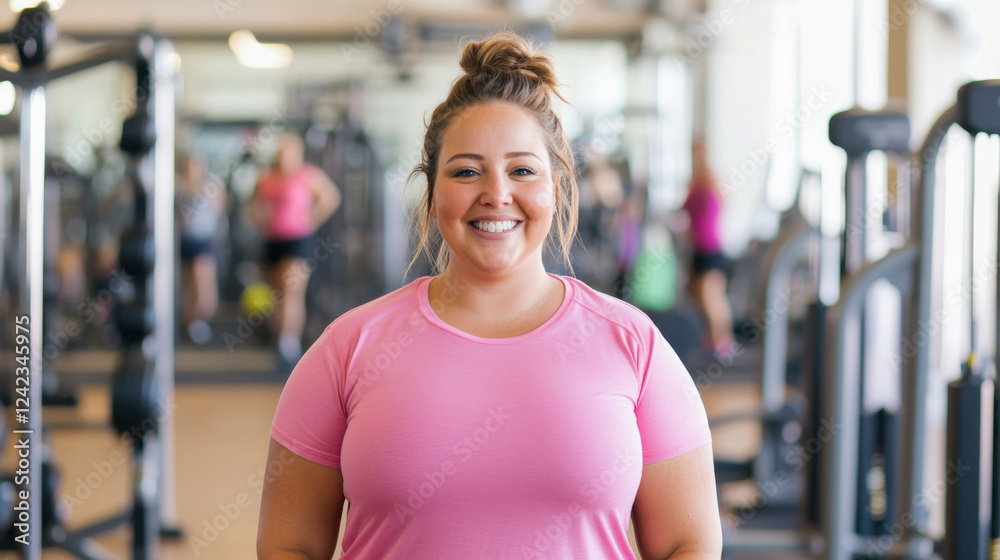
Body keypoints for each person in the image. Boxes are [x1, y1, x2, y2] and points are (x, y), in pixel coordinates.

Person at [257, 32, 721, 560]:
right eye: (466, 171)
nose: (496, 192)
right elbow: (288, 546)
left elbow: (689, 543)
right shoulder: (348, 347)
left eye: (522, 170)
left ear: (556, 188)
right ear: (432, 195)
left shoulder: (632, 343)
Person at [249, 134, 341, 364]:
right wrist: (258, 216)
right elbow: (252, 205)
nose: (283, 156)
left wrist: (311, 218)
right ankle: (280, 339)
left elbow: (331, 197)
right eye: (281, 152)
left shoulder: (307, 175)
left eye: (288, 152)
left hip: (297, 240)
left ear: (297, 154)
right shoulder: (265, 178)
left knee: (291, 289)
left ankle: (288, 343)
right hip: (272, 240)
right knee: (276, 294)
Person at [683, 139, 736, 359]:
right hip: (698, 248)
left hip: (710, 248)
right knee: (697, 294)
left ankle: (725, 340)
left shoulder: (708, 181)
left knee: (712, 297)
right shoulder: (695, 181)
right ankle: (713, 337)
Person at [177, 154, 222, 345]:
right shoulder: (177, 186)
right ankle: (190, 321)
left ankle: (200, 316)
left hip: (203, 241)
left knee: (203, 281)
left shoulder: (210, 186)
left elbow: (219, 210)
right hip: (183, 241)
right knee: (188, 285)